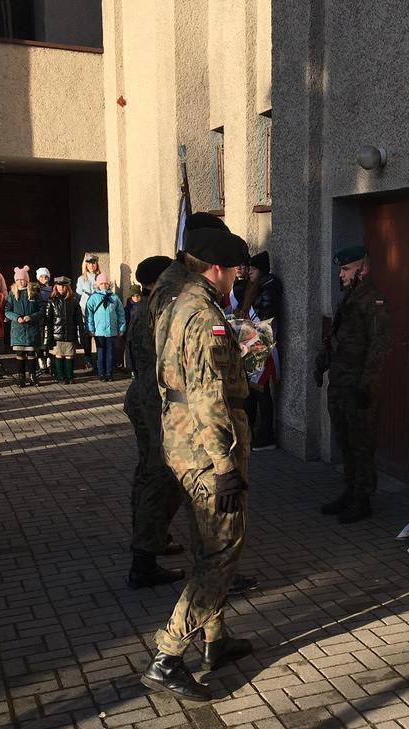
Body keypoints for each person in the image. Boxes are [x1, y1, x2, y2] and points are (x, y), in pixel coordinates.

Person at [140, 226, 253, 702]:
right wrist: (225, 465)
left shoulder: (174, 298)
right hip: (205, 449)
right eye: (235, 272)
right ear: (218, 269)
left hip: (180, 440)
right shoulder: (204, 314)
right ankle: (168, 655)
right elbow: (208, 397)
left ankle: (215, 639)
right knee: (222, 551)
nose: (238, 280)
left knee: (209, 542)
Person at [317, 244, 391, 524]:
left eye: (346, 269)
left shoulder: (373, 301)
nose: (341, 274)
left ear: (364, 269)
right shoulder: (347, 299)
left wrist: (366, 385)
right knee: (345, 442)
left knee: (361, 445)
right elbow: (335, 339)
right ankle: (349, 492)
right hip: (340, 384)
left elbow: (379, 347)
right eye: (340, 269)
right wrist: (321, 363)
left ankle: (362, 499)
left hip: (359, 387)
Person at [123, 255, 185, 589]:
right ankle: (143, 560)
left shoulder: (144, 308)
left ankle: (150, 539)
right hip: (155, 401)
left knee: (148, 472)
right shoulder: (156, 312)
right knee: (159, 477)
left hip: (143, 396)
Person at [232, 251, 282, 450]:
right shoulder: (253, 286)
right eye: (249, 268)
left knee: (261, 391)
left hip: (261, 343)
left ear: (261, 271)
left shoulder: (268, 288)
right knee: (250, 391)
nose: (249, 272)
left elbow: (266, 318)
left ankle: (267, 435)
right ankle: (251, 430)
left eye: (253, 269)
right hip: (249, 342)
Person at [5, 266, 43, 387]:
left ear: (27, 280)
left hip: (31, 329)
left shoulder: (34, 293)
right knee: (20, 354)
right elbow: (7, 311)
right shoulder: (12, 294)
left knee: (31, 354)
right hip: (18, 330)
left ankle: (33, 376)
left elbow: (42, 310)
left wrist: (31, 317)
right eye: (18, 280)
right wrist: (17, 318)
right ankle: (21, 377)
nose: (21, 282)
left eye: (23, 279)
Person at [85, 274, 126, 381]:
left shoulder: (114, 297)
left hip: (112, 330)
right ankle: (101, 373)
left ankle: (109, 373)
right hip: (99, 331)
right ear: (98, 285)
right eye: (102, 283)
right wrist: (91, 329)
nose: (104, 285)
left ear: (109, 284)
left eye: (106, 283)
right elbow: (89, 314)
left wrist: (121, 328)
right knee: (101, 353)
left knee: (110, 353)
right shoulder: (93, 298)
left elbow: (121, 313)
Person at [44, 276, 84, 384]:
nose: (61, 288)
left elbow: (78, 319)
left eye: (63, 286)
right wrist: (47, 338)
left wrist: (80, 335)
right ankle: (61, 377)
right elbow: (48, 321)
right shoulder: (51, 301)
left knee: (69, 354)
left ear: (67, 287)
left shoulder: (73, 301)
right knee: (59, 354)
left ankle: (70, 376)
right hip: (57, 334)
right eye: (59, 285)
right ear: (56, 287)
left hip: (70, 333)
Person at [76, 254, 100, 370]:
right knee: (87, 338)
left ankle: (100, 361)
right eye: (89, 263)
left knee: (99, 336)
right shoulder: (81, 279)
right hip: (85, 310)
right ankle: (88, 361)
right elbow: (79, 294)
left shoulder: (100, 277)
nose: (91, 265)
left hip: (98, 310)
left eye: (93, 263)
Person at [35, 267, 53, 374]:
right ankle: (41, 361)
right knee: (39, 340)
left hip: (49, 317)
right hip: (39, 318)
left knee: (48, 340)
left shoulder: (52, 289)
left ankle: (49, 361)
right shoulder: (35, 289)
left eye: (46, 277)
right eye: (42, 277)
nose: (44, 279)